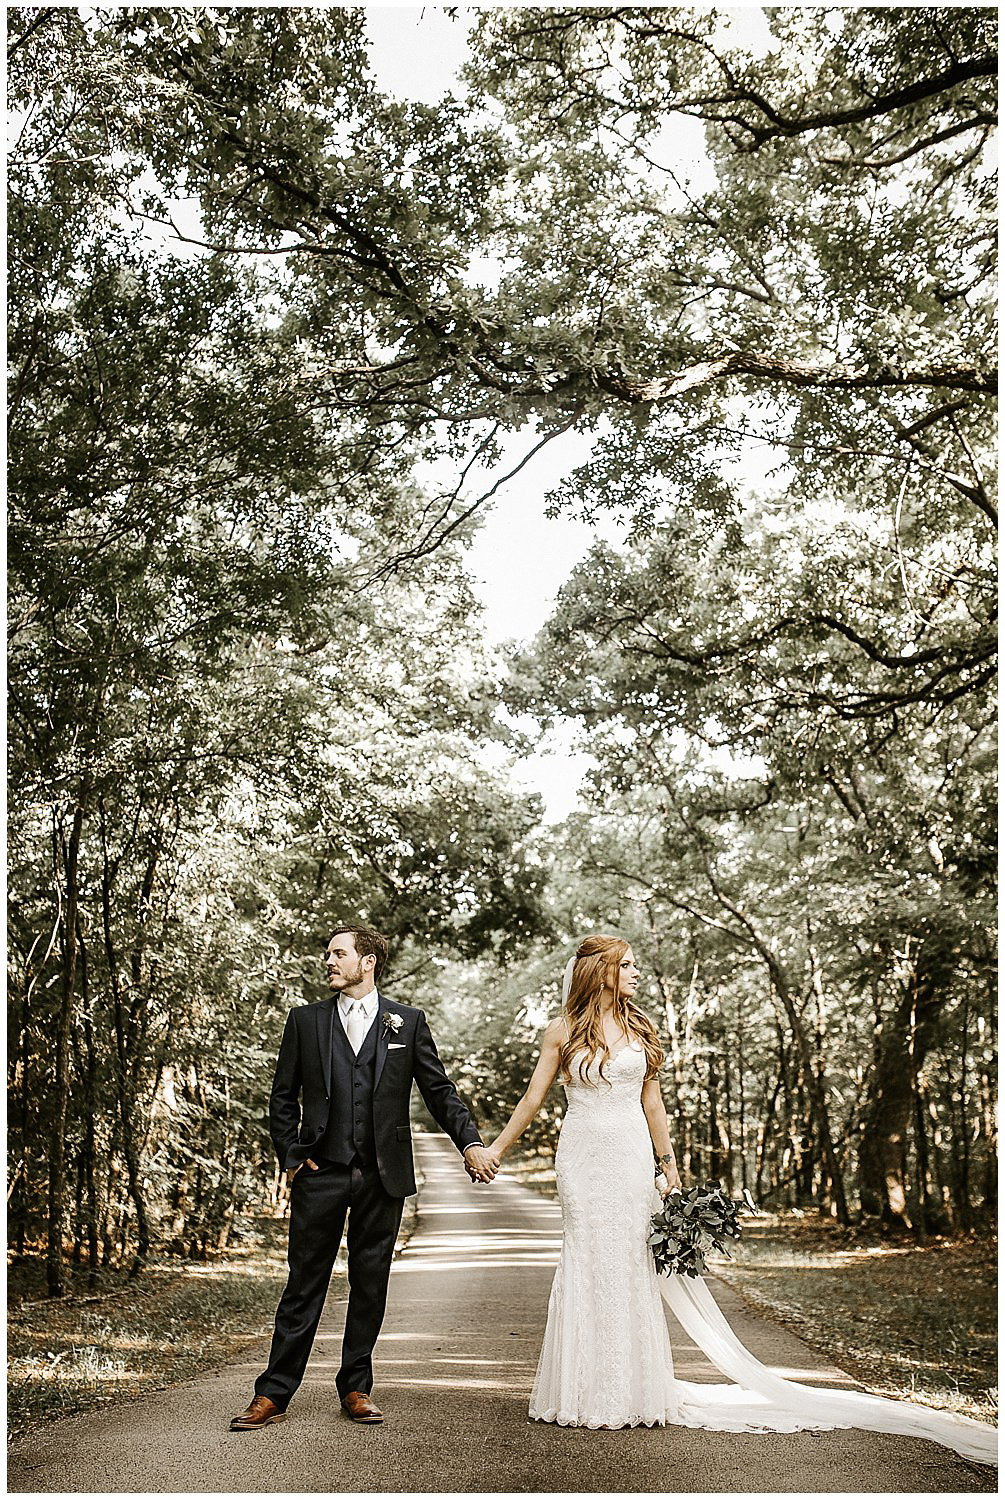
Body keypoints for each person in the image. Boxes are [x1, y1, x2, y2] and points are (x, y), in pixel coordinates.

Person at [483, 934, 997, 1464]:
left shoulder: (640, 1029)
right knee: (588, 1261)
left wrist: (670, 1170)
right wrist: (495, 1149)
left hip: (631, 1157)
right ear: (602, 972)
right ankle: (581, 1390)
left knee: (631, 1267)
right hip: (583, 1159)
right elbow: (533, 1098)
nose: (636, 973)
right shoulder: (561, 1032)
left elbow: (654, 1106)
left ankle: (633, 1390)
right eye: (628, 966)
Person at [230, 924, 497, 1431]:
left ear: (368, 961)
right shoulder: (305, 1022)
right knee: (303, 1284)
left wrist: (471, 1143)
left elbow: (439, 1091)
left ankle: (356, 1386)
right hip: (321, 1173)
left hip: (383, 1175)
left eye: (338, 953)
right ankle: (273, 1393)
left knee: (369, 1284)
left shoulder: (407, 1022)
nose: (328, 961)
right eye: (328, 953)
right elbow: (282, 1096)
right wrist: (292, 1155)